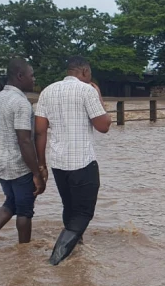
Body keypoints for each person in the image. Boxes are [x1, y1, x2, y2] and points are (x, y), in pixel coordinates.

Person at [35, 56, 112, 266]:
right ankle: (55, 260)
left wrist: (41, 166)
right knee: (83, 214)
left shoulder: (47, 91)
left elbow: (40, 132)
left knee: (69, 207)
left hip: (58, 163)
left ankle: (76, 249)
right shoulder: (88, 91)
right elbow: (103, 126)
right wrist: (99, 96)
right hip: (82, 163)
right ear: (85, 72)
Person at [0, 58, 45, 252]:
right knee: (25, 211)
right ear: (20, 76)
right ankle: (23, 254)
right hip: (18, 164)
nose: (34, 79)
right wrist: (37, 174)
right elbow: (24, 140)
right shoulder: (21, 103)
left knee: (11, 202)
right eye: (31, 75)